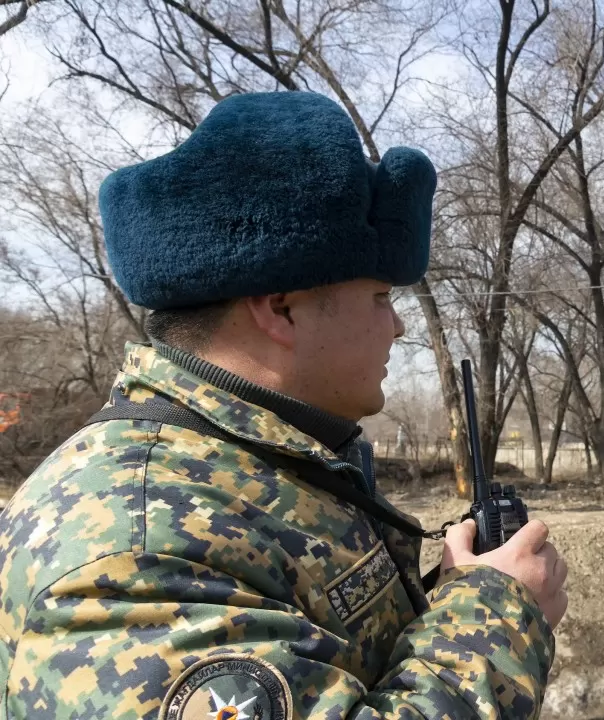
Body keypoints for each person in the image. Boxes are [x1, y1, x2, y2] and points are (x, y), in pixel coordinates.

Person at [0, 92, 566, 719]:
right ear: (281, 307)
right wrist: (499, 611)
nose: (398, 327)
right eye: (379, 297)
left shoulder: (262, 468)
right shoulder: (130, 545)